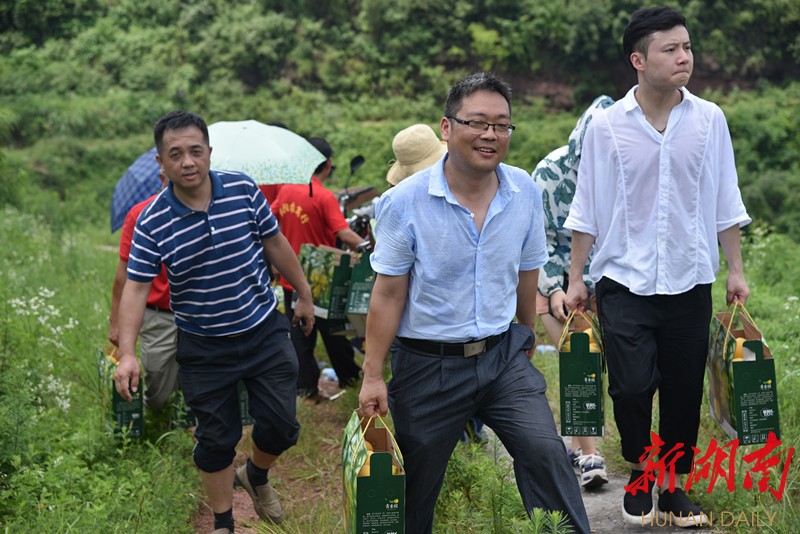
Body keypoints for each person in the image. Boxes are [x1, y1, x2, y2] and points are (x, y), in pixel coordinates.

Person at [358, 72, 591, 534]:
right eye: (478, 122)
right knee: (416, 485)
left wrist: (525, 332)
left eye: (501, 125)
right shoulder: (404, 202)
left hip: (501, 356)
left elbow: (527, 271)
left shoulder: (523, 190)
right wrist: (372, 374)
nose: (490, 134)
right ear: (447, 128)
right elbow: (388, 293)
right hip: (427, 366)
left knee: (545, 451)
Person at [564, 6, 750, 528]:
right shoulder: (606, 127)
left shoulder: (710, 120)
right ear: (639, 60)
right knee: (630, 387)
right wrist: (576, 279)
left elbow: (726, 200)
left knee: (683, 390)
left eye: (687, 47)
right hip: (624, 279)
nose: (684, 57)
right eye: (671, 49)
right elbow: (587, 206)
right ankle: (641, 470)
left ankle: (671, 488)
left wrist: (735, 270)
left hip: (690, 279)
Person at [113, 110, 316, 534]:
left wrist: (304, 294)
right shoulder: (152, 221)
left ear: (209, 152)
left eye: (195, 151)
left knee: (282, 425)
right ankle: (224, 522)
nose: (187, 162)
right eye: (176, 154)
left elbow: (275, 243)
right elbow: (135, 288)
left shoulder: (243, 190)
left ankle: (255, 474)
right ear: (161, 162)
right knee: (215, 439)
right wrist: (127, 352)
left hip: (263, 329)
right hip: (203, 345)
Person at [386, 123, 487, 445]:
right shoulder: (402, 204)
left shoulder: (467, 193)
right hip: (430, 328)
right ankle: (463, 436)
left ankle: (468, 432)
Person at [532, 95, 614, 489]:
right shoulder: (549, 174)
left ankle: (584, 448)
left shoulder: (626, 168)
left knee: (606, 365)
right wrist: (554, 289)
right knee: (577, 359)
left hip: (606, 279)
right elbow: (537, 241)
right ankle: (590, 454)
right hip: (554, 278)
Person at [270, 137, 366, 402]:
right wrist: (370, 248)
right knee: (334, 333)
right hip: (322, 281)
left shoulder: (286, 190)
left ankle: (305, 388)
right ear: (329, 163)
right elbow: (343, 233)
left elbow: (270, 217)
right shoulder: (324, 197)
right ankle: (350, 378)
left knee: (300, 337)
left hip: (291, 280)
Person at [108, 173, 182, 416]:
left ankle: (188, 419)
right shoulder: (140, 215)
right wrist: (115, 322)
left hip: (198, 312)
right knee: (158, 378)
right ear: (162, 177)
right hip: (158, 314)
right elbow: (124, 276)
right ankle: (153, 415)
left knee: (200, 373)